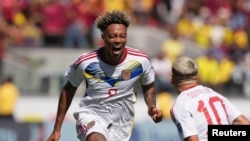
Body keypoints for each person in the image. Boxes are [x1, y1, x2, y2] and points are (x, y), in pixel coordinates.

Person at [47, 10, 163, 141]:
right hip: (91, 116)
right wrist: (57, 130)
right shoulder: (86, 62)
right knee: (97, 138)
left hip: (122, 123)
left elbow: (148, 86)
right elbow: (68, 90)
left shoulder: (140, 61)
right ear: (103, 37)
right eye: (113, 36)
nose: (118, 40)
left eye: (122, 36)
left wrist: (151, 107)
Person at [170, 56, 250, 141]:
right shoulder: (214, 94)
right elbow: (244, 122)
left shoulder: (180, 104)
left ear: (172, 79)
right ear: (198, 77)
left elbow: (193, 139)